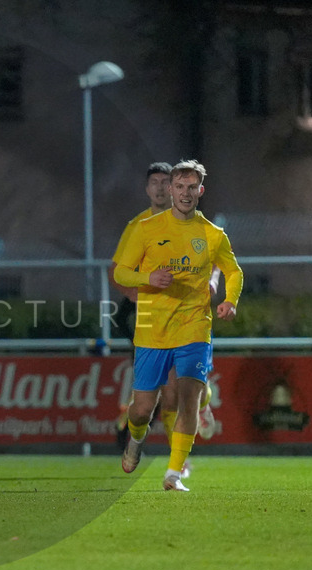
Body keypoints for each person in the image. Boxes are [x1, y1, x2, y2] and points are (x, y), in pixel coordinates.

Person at [113, 159, 243, 491]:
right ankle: (136, 440)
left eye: (192, 188)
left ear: (201, 191)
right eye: (179, 187)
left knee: (183, 400)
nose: (185, 194)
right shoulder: (145, 228)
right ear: (171, 190)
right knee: (142, 410)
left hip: (194, 327)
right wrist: (147, 278)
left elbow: (233, 271)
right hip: (152, 330)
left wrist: (230, 300)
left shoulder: (212, 235)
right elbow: (120, 272)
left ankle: (174, 473)